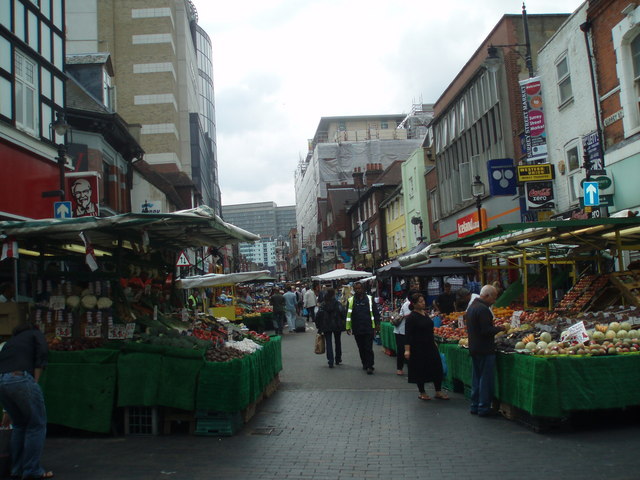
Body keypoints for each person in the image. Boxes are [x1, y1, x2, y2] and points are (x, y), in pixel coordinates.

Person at [0, 322, 52, 479]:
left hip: (2, 380)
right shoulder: (35, 334)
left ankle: (17, 469)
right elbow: (42, 353)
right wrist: (35, 380)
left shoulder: (11, 342)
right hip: (20, 377)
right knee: (36, 425)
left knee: (20, 425)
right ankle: (31, 470)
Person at [466, 285, 509, 416]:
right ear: (486, 296)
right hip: (485, 349)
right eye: (494, 298)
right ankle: (483, 407)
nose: (494, 301)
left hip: (474, 347)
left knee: (477, 378)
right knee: (485, 379)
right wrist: (500, 328)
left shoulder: (472, 307)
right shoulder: (483, 309)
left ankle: (475, 405)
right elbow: (486, 330)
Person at [404, 292, 448, 401]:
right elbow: (408, 335)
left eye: (423, 301)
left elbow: (429, 330)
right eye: (420, 301)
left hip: (430, 345)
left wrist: (434, 342)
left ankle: (438, 391)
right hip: (418, 346)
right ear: (414, 304)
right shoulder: (411, 318)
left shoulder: (425, 314)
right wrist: (407, 350)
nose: (423, 303)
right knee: (420, 369)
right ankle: (422, 392)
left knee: (436, 367)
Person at [345, 281, 380, 374]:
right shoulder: (351, 300)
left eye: (359, 288)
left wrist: (377, 324)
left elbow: (376, 312)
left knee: (368, 347)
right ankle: (364, 363)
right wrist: (348, 327)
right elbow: (348, 315)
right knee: (361, 348)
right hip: (357, 328)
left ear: (363, 289)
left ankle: (370, 366)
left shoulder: (369, 299)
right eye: (356, 289)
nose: (358, 290)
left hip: (368, 327)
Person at [314, 288, 346, 368]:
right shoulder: (337, 304)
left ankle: (330, 361)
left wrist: (318, 326)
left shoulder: (323, 304)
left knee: (328, 342)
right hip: (337, 325)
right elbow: (343, 313)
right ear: (333, 294)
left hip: (326, 325)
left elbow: (318, 316)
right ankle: (338, 358)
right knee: (337, 341)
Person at [394, 290, 416, 376]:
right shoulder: (407, 304)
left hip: (406, 331)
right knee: (401, 350)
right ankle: (399, 368)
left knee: (407, 350)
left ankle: (410, 369)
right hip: (401, 330)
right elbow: (408, 316)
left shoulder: (411, 304)